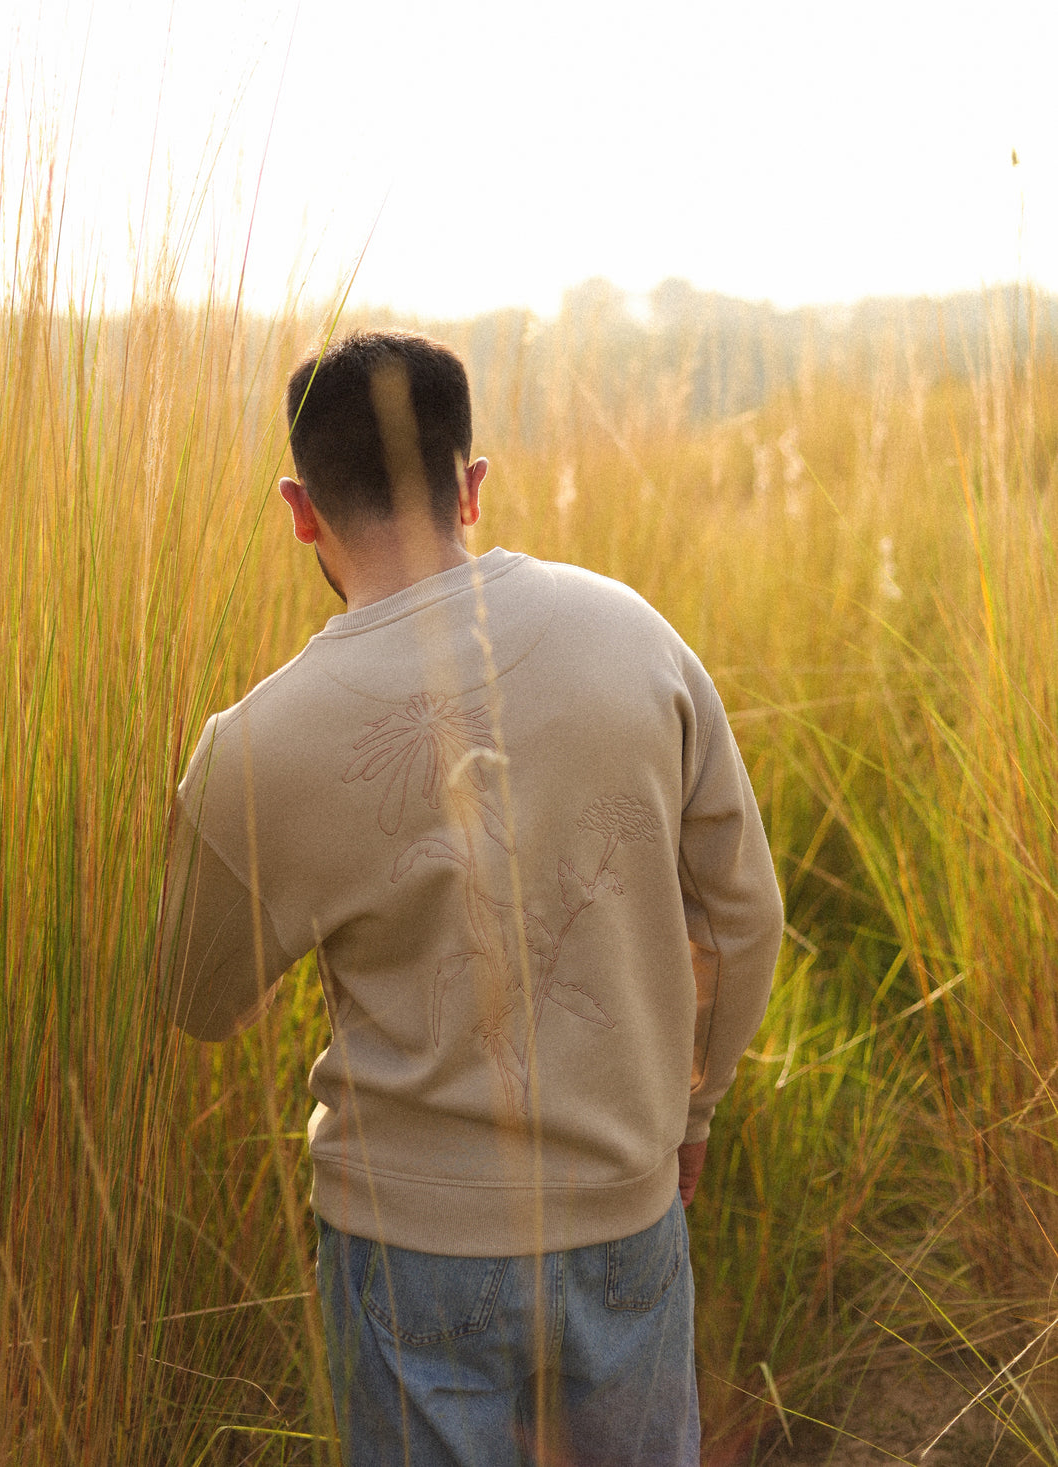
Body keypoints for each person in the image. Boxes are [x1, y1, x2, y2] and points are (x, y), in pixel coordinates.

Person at [160, 330, 784, 1467]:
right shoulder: (632, 634)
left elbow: (198, 998)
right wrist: (691, 1112)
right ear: (472, 484)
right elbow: (742, 914)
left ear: (300, 509)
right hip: (625, 1215)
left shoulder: (255, 746)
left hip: (406, 1247)